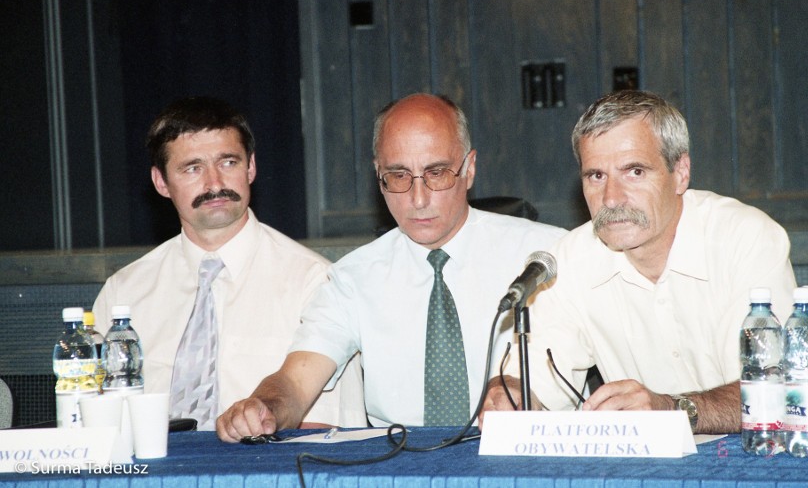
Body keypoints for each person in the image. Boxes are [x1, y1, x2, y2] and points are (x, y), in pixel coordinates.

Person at [216, 93, 567, 441]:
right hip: (402, 467)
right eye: (398, 176)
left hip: (524, 458)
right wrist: (264, 406)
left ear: (469, 168)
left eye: (437, 172)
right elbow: (295, 379)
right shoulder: (354, 277)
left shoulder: (546, 255)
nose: (418, 199)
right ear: (377, 174)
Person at [481, 90, 797, 434]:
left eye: (634, 172)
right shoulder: (570, 260)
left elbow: (777, 392)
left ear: (680, 173)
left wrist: (673, 409)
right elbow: (536, 388)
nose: (611, 198)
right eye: (596, 176)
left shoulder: (746, 240)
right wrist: (511, 393)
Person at [93, 96, 366, 430]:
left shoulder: (313, 281)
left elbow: (329, 432)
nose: (215, 184)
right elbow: (93, 423)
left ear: (250, 167)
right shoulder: (125, 292)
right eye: (192, 168)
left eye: (228, 162)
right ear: (161, 182)